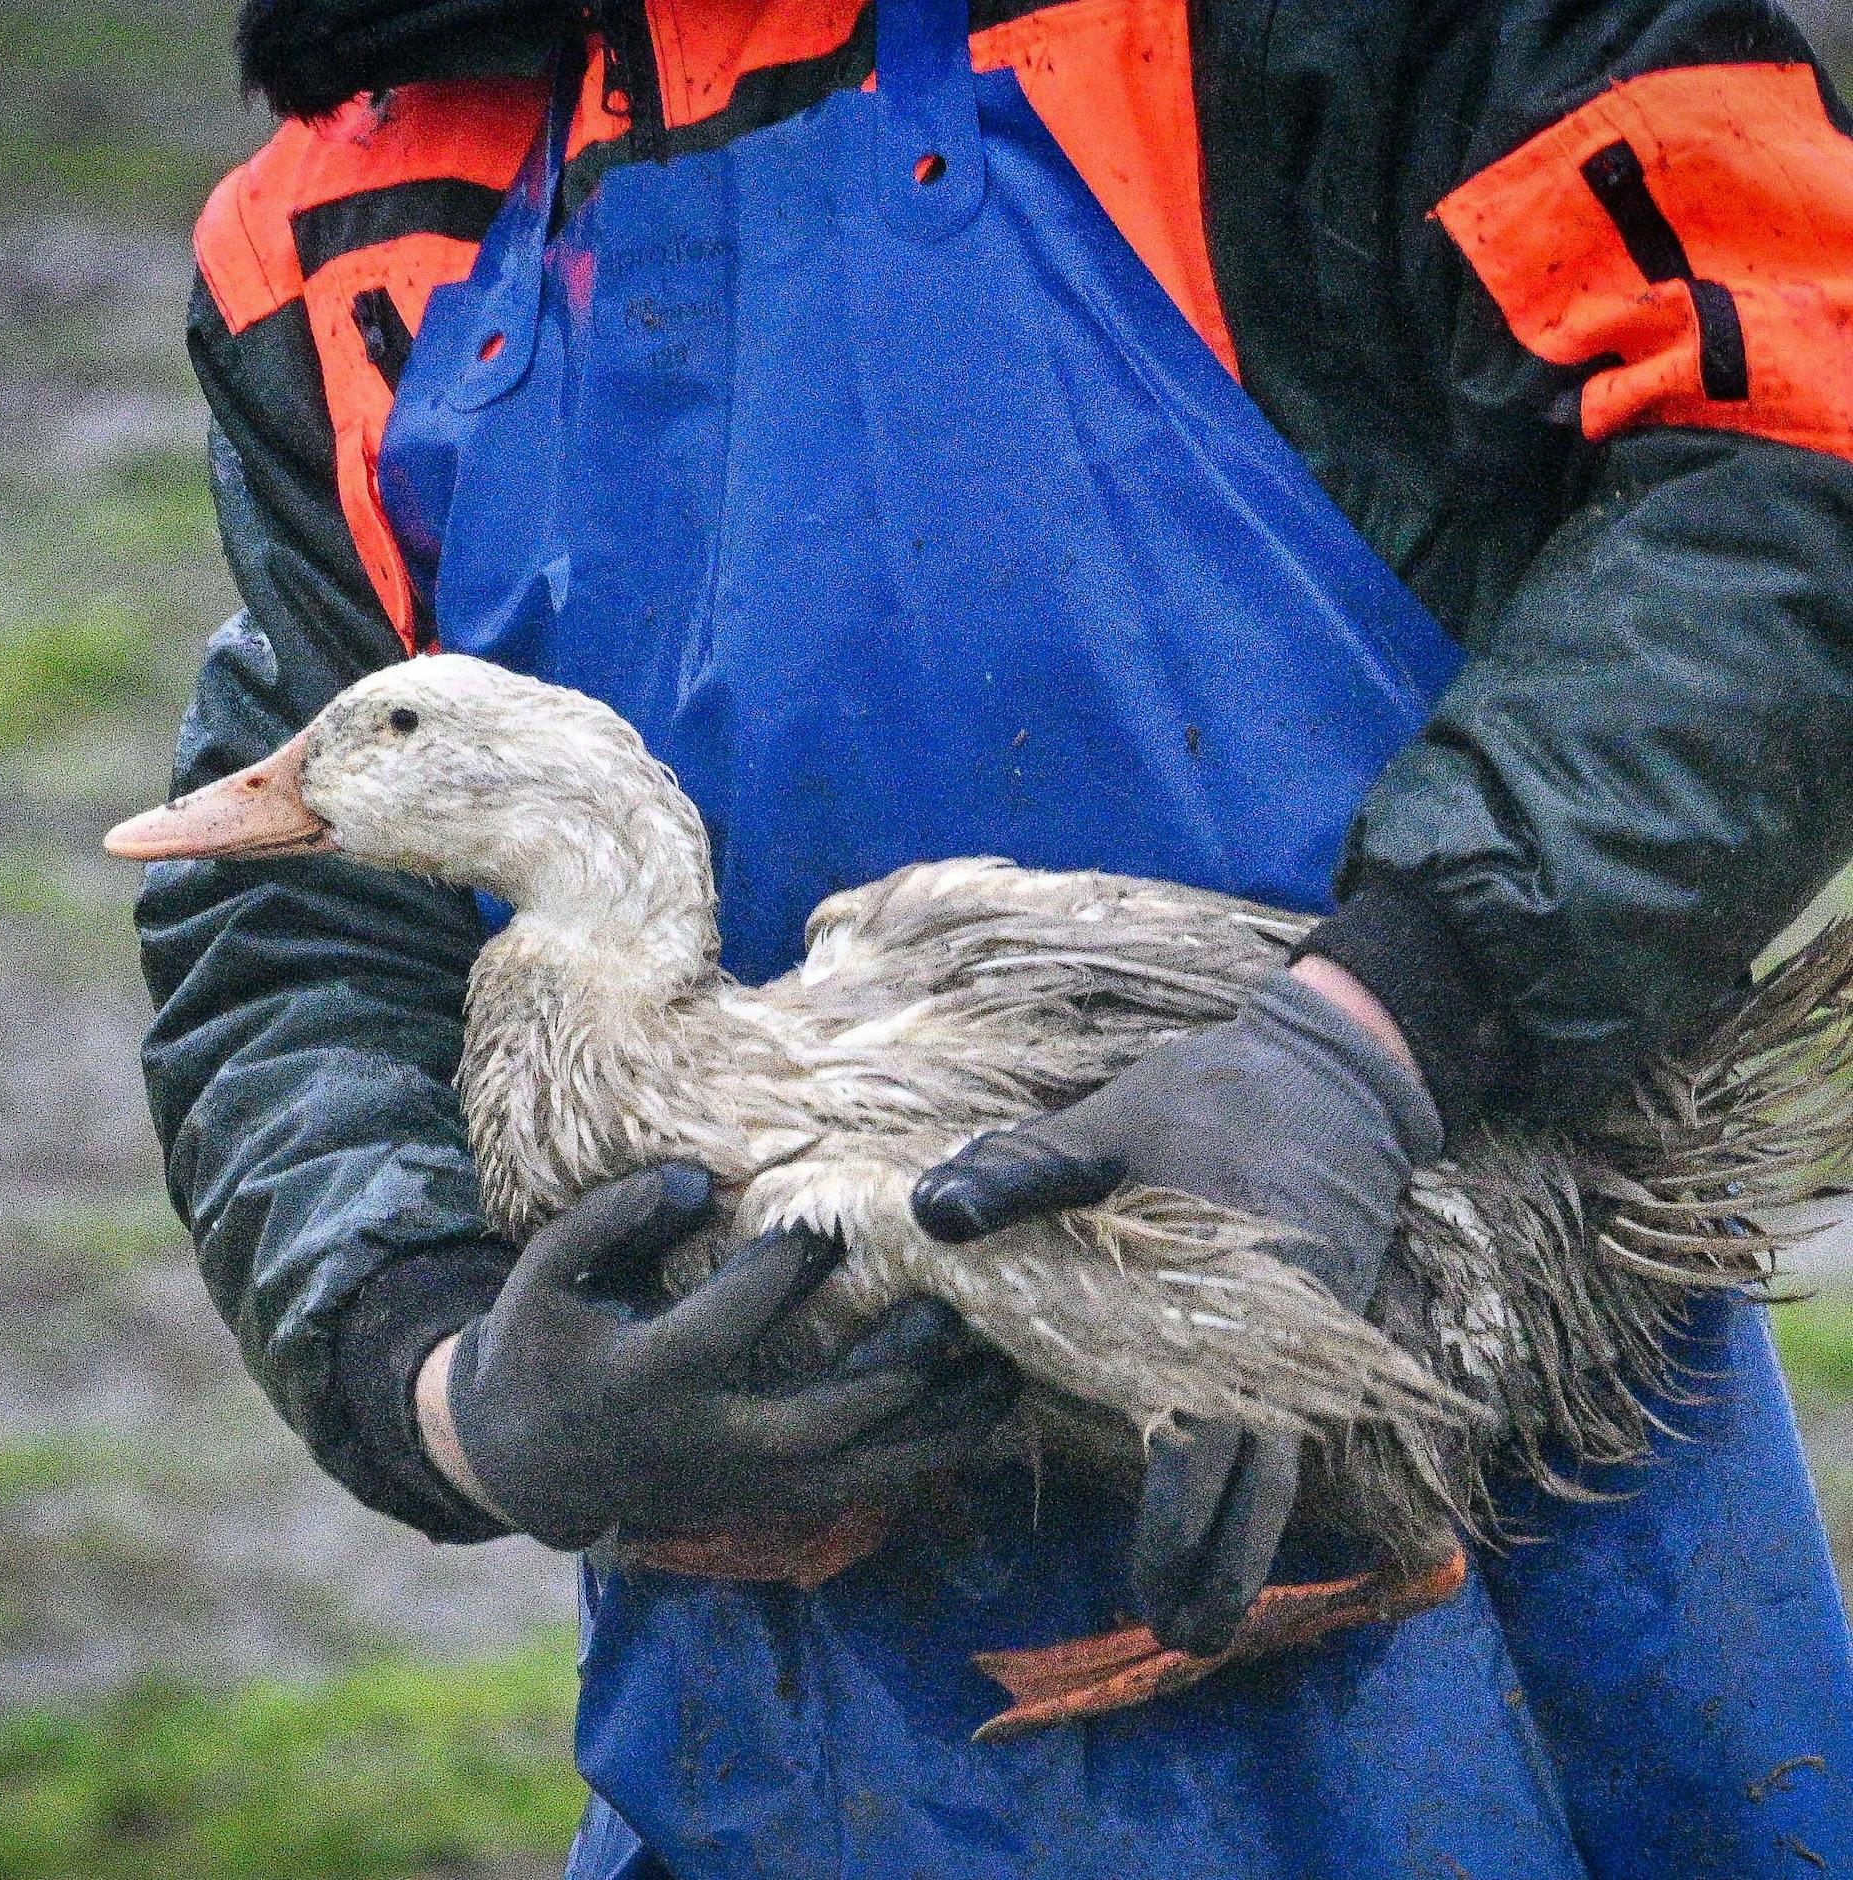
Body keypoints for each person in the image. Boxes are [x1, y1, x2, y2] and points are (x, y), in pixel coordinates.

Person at [138, 0, 1853, 1872]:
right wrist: (454, 1384)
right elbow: (295, 925)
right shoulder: (340, 222)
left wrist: (1376, 1034)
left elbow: (1801, 454)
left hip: (1512, 1621)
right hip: (781, 1757)